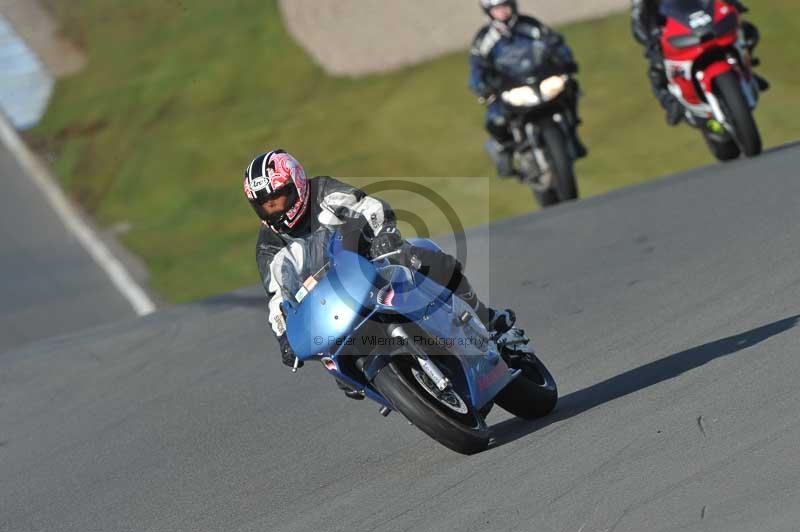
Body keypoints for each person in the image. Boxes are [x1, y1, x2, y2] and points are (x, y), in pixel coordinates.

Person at [244, 149, 517, 399]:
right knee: (345, 380)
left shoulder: (323, 192)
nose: (276, 208)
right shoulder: (268, 248)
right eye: (266, 205)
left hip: (373, 268)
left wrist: (384, 233)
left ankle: (486, 319)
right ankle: (402, 395)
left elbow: (369, 206)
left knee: (426, 259)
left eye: (280, 197)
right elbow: (276, 301)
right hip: (334, 310)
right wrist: (283, 338)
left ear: (298, 182)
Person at [470, 0, 587, 177]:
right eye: (496, 9)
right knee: (496, 120)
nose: (501, 12)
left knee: (570, 88)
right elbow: (476, 68)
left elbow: (555, 43)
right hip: (508, 88)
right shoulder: (483, 39)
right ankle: (505, 152)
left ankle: (572, 132)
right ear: (488, 12)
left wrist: (566, 61)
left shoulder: (530, 25)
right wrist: (481, 86)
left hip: (539, 80)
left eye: (504, 7)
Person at [630, 0, 768, 125]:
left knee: (747, 32)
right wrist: (651, 39)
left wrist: (732, 4)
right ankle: (671, 102)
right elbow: (639, 23)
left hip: (702, 21)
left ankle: (748, 70)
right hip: (670, 32)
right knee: (657, 68)